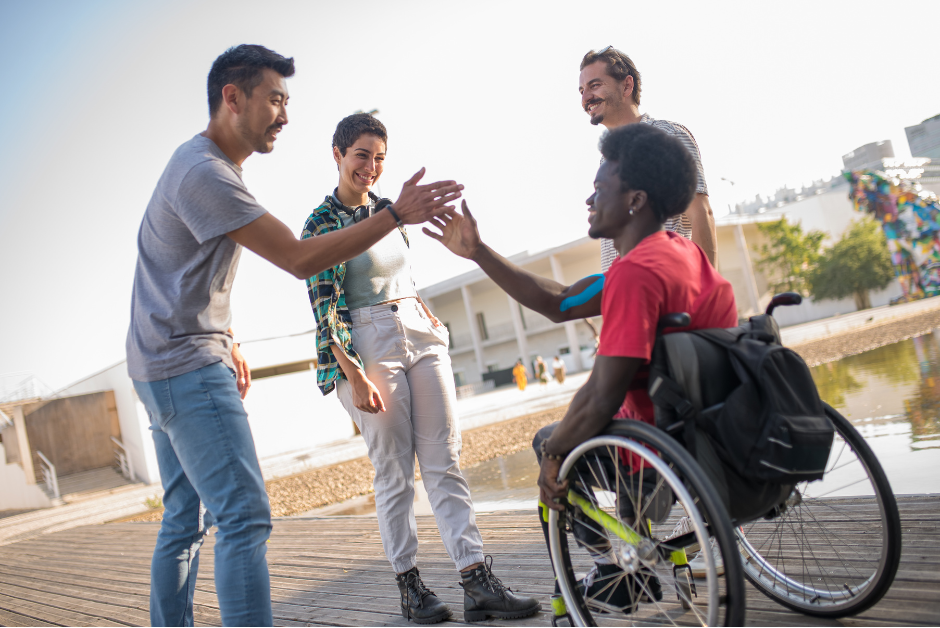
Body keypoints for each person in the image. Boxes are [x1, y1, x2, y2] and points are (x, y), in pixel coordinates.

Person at [127, 45, 464, 627]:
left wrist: (228, 334)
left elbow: (180, 271)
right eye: (275, 100)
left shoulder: (200, 164)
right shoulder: (207, 174)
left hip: (158, 360)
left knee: (183, 520)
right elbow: (300, 259)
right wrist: (393, 216)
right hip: (186, 365)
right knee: (244, 518)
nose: (285, 116)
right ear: (233, 98)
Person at [426, 123, 737, 612]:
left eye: (599, 188)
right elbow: (560, 300)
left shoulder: (634, 274)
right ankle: (628, 557)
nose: (589, 200)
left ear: (634, 200)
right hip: (713, 439)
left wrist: (554, 455)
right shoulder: (686, 255)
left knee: (551, 440)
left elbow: (600, 395)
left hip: (662, 452)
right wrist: (479, 252)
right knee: (599, 428)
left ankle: (614, 568)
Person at [300, 113, 540, 625]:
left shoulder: (389, 211)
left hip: (418, 332)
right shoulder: (320, 223)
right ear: (337, 154)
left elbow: (398, 278)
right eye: (361, 155)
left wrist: (421, 311)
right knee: (393, 470)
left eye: (379, 158)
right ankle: (410, 587)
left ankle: (476, 580)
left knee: (444, 460)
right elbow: (325, 307)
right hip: (366, 342)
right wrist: (352, 372)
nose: (370, 166)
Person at [579, 46, 717, 270]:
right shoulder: (606, 160)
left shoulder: (666, 136)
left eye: (595, 85)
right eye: (581, 90)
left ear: (627, 86)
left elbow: (701, 213)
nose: (586, 97)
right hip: (628, 287)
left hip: (668, 283)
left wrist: (706, 287)